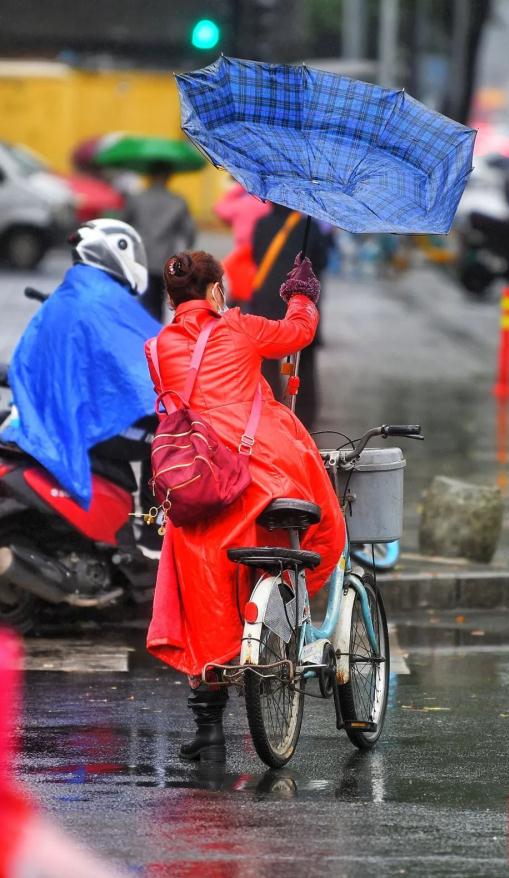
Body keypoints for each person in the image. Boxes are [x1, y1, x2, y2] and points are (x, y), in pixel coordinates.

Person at [145, 249, 346, 762]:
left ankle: (208, 731)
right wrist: (301, 294)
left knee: (201, 605)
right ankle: (285, 631)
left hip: (197, 488)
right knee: (308, 543)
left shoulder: (160, 347)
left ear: (173, 299)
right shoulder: (239, 328)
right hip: (263, 480)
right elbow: (297, 334)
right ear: (216, 292)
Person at [1, 219, 161, 538]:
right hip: (84, 421)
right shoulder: (107, 300)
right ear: (118, 252)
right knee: (168, 435)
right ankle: (152, 533)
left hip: (46, 411)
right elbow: (150, 364)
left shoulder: (72, 292)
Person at [249, 204, 332, 429]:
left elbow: (256, 256)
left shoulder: (261, 224)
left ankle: (269, 415)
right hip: (299, 305)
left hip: (266, 302)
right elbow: (322, 262)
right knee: (303, 364)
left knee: (266, 364)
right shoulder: (310, 227)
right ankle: (303, 421)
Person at [124, 161, 197, 321]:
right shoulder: (178, 202)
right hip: (164, 260)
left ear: (149, 176)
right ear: (169, 177)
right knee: (158, 304)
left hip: (139, 258)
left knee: (141, 302)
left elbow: (124, 225)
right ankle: (155, 338)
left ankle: (141, 336)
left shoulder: (137, 199)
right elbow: (189, 232)